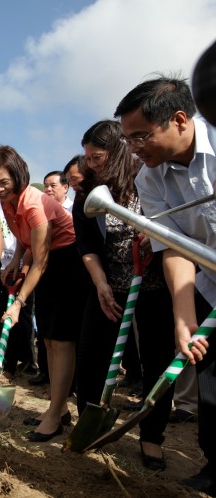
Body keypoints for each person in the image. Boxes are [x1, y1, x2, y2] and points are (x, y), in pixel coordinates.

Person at [115, 76, 215, 494]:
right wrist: (184, 315)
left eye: (141, 136)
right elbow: (175, 248)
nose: (134, 148)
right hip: (208, 283)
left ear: (179, 120)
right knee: (211, 380)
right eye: (128, 139)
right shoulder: (149, 180)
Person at [74, 119, 175, 470]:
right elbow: (86, 244)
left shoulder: (151, 180)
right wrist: (100, 283)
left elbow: (173, 229)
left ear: (116, 151)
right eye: (87, 157)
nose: (90, 163)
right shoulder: (87, 192)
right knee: (90, 360)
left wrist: (156, 239)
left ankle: (151, 437)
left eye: (97, 156)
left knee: (156, 360)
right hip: (108, 289)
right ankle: (89, 427)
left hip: (154, 289)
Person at [0, 145, 86, 441]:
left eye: (5, 182)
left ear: (18, 174)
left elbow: (41, 261)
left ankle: (55, 414)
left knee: (61, 341)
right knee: (49, 339)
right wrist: (15, 260)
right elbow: (25, 242)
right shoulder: (8, 203)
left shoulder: (35, 204)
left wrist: (19, 302)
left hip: (67, 263)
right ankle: (58, 407)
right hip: (48, 263)